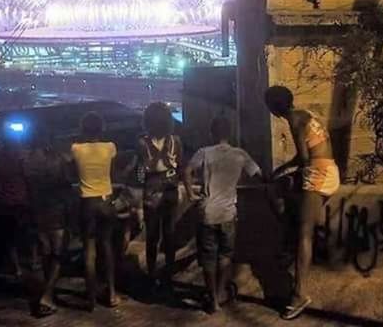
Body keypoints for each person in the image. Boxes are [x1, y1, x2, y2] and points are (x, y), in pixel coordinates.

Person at [264, 85, 340, 320]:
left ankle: (299, 294)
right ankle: (290, 248)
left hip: (318, 174)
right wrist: (285, 169)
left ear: (273, 108)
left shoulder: (294, 122)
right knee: (283, 193)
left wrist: (288, 173)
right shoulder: (304, 114)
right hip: (329, 170)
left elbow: (305, 159)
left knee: (303, 235)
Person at [183, 116, 262, 314]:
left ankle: (213, 300)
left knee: (208, 257)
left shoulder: (204, 152)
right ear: (230, 133)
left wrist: (192, 194)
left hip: (207, 212)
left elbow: (187, 171)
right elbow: (259, 175)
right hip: (228, 213)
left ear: (212, 133)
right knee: (225, 256)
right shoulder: (240, 154)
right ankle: (219, 294)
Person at [71, 112, 120, 310]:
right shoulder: (110, 147)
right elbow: (113, 171)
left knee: (88, 250)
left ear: (83, 129)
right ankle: (112, 293)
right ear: (102, 129)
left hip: (86, 203)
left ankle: (90, 297)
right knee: (107, 247)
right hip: (106, 200)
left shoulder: (76, 148)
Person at [135, 102, 183, 289]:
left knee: (152, 236)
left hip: (151, 190)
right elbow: (180, 164)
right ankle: (169, 272)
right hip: (170, 188)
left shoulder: (142, 142)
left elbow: (142, 169)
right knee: (170, 233)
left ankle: (151, 272)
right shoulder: (175, 141)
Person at [27, 141, 76, 316]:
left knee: (47, 254)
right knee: (58, 255)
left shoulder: (33, 162)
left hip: (40, 212)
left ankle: (48, 292)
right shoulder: (59, 162)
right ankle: (47, 296)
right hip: (57, 213)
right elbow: (67, 187)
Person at [0, 138, 31, 279]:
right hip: (21, 201)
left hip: (5, 202)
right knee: (27, 232)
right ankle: (33, 260)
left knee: (10, 237)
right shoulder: (20, 160)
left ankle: (17, 267)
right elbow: (28, 178)